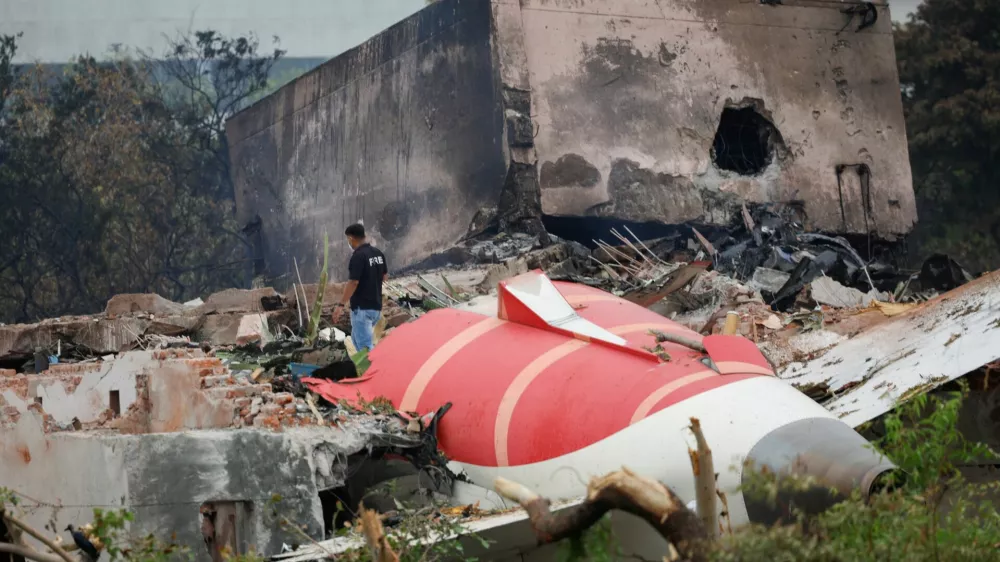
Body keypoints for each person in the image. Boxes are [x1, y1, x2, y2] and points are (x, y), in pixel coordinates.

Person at [334, 223, 388, 352]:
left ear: (351, 239)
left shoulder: (358, 256)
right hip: (375, 308)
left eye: (348, 239)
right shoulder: (378, 253)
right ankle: (367, 369)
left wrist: (341, 305)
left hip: (362, 309)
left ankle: (373, 372)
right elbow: (384, 276)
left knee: (365, 349)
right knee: (356, 340)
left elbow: (353, 282)